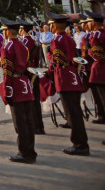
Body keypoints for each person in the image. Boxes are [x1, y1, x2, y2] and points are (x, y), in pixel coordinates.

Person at [0, 18, 37, 164]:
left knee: (20, 123)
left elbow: (7, 71)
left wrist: (7, 90)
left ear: (7, 32)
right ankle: (30, 151)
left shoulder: (7, 47)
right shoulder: (23, 45)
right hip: (25, 83)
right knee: (28, 121)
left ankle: (24, 153)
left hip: (16, 86)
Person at [46, 11, 89, 155]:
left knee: (72, 112)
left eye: (51, 25)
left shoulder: (57, 39)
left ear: (54, 26)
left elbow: (57, 59)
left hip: (64, 76)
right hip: (72, 75)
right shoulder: (68, 38)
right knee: (75, 111)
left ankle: (80, 144)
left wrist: (49, 56)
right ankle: (81, 142)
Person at [19, 19, 46, 134]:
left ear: (23, 30)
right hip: (34, 71)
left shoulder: (25, 41)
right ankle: (39, 126)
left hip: (28, 73)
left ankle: (35, 126)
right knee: (35, 100)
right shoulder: (33, 40)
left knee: (31, 100)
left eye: (20, 29)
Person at [85, 10, 105, 125]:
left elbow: (96, 54)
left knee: (101, 96)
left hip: (100, 68)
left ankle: (103, 116)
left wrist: (89, 50)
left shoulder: (96, 35)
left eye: (89, 22)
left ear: (93, 23)